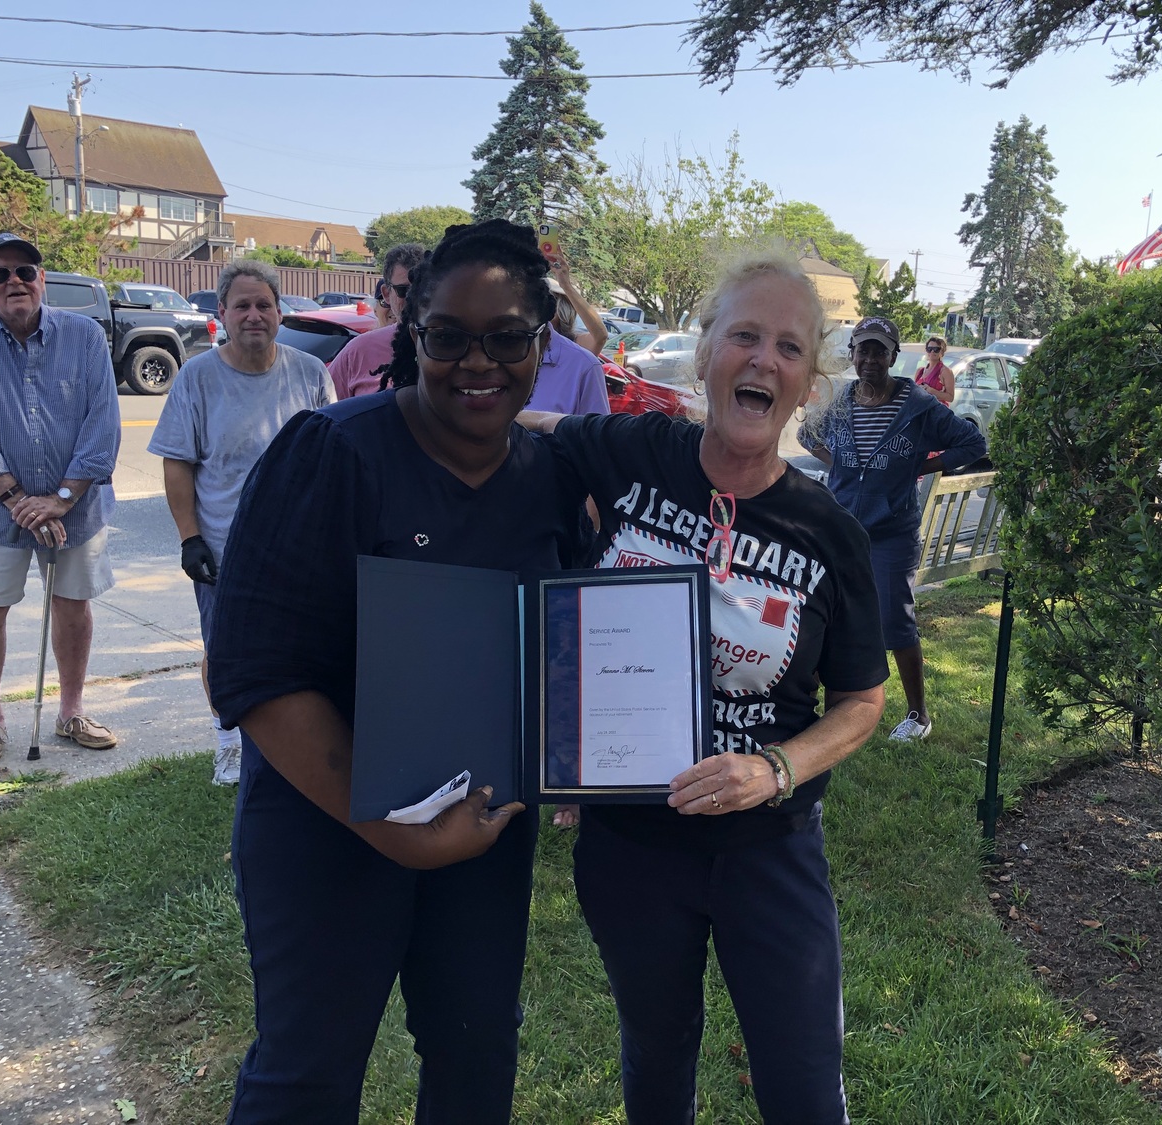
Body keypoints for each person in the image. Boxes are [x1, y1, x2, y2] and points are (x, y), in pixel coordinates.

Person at [207, 219, 589, 1124]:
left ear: (543, 345)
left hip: (484, 830)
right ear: (412, 334)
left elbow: (562, 645)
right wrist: (392, 829)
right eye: (448, 336)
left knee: (476, 1049)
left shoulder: (545, 480)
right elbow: (255, 674)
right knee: (307, 1072)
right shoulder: (332, 453)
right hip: (323, 826)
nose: (476, 361)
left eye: (506, 337)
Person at [522, 251, 888, 1123]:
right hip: (632, 845)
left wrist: (775, 769)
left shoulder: (826, 531)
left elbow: (863, 700)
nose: (764, 359)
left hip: (770, 846)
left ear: (808, 385)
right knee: (656, 1055)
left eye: (790, 348)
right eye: (745, 336)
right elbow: (538, 442)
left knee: (801, 1085)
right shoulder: (635, 452)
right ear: (705, 356)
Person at [148, 259, 336, 786]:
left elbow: (329, 459)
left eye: (264, 305)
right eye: (242, 306)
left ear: (279, 312)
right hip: (225, 548)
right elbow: (178, 463)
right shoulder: (198, 377)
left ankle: (290, 743)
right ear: (223, 315)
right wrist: (190, 538)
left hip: (299, 550)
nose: (254, 315)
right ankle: (228, 742)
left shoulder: (310, 373)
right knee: (224, 649)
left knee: (299, 650)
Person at [0, 232, 121, 764]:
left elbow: (103, 422)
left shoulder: (85, 335)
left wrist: (65, 498)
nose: (15, 282)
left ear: (42, 278)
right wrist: (16, 498)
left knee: (74, 605)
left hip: (76, 504)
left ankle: (71, 710)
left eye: (25, 271)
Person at [799, 315, 988, 741]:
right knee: (827, 614)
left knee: (894, 621)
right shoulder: (840, 403)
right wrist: (842, 464)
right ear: (852, 353)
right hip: (842, 527)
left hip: (892, 532)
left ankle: (918, 715)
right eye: (862, 349)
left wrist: (920, 467)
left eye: (879, 350)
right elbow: (807, 434)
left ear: (894, 356)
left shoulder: (918, 407)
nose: (870, 358)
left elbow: (973, 443)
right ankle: (824, 705)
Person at [326, 241, 424, 398]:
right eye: (404, 290)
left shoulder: (454, 346)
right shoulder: (358, 351)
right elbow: (323, 410)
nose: (413, 298)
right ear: (386, 294)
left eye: (422, 288)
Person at [545, 244, 608, 356]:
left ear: (561, 307)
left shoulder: (573, 343)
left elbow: (600, 337)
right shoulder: (523, 341)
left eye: (550, 298)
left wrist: (566, 286)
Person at [914, 334, 955, 404]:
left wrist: (930, 390)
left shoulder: (945, 371)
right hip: (920, 411)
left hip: (937, 412)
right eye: (929, 349)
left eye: (936, 349)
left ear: (942, 352)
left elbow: (950, 397)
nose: (932, 351)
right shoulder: (920, 371)